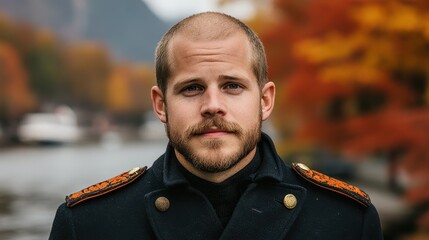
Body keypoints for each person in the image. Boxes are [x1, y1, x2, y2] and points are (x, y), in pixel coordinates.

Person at [49, 12, 383, 239]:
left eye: (232, 86)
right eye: (191, 88)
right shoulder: (88, 224)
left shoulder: (348, 221)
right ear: (160, 104)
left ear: (265, 100)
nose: (212, 106)